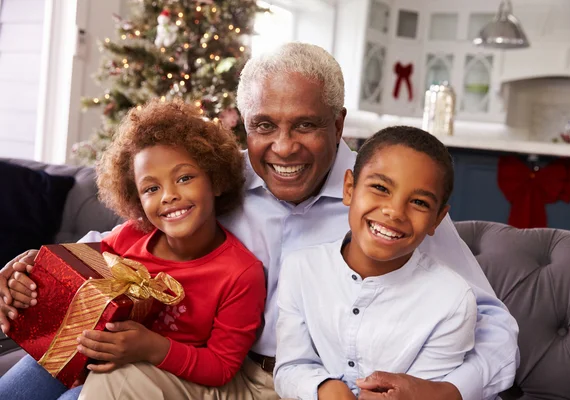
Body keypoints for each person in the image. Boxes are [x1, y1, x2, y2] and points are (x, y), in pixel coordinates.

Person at [0, 42, 519, 400]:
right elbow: (126, 243)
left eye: (307, 126)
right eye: (264, 126)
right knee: (75, 372)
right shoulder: (216, 182)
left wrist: (449, 389)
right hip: (198, 370)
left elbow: (493, 323)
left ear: (339, 124)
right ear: (242, 124)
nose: (284, 146)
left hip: (309, 385)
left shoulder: (384, 203)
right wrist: (32, 267)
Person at [0, 99, 266, 400]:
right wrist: (33, 273)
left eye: (184, 178)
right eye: (152, 188)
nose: (169, 196)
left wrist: (152, 347)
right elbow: (75, 279)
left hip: (147, 382)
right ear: (136, 199)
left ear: (216, 180)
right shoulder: (129, 237)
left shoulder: (241, 273)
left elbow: (221, 366)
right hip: (82, 353)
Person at [275, 126, 477, 399]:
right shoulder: (301, 268)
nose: (394, 212)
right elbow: (290, 368)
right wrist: (322, 388)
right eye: (380, 188)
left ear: (437, 220)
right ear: (349, 188)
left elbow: (423, 391)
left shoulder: (452, 300)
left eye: (418, 202)